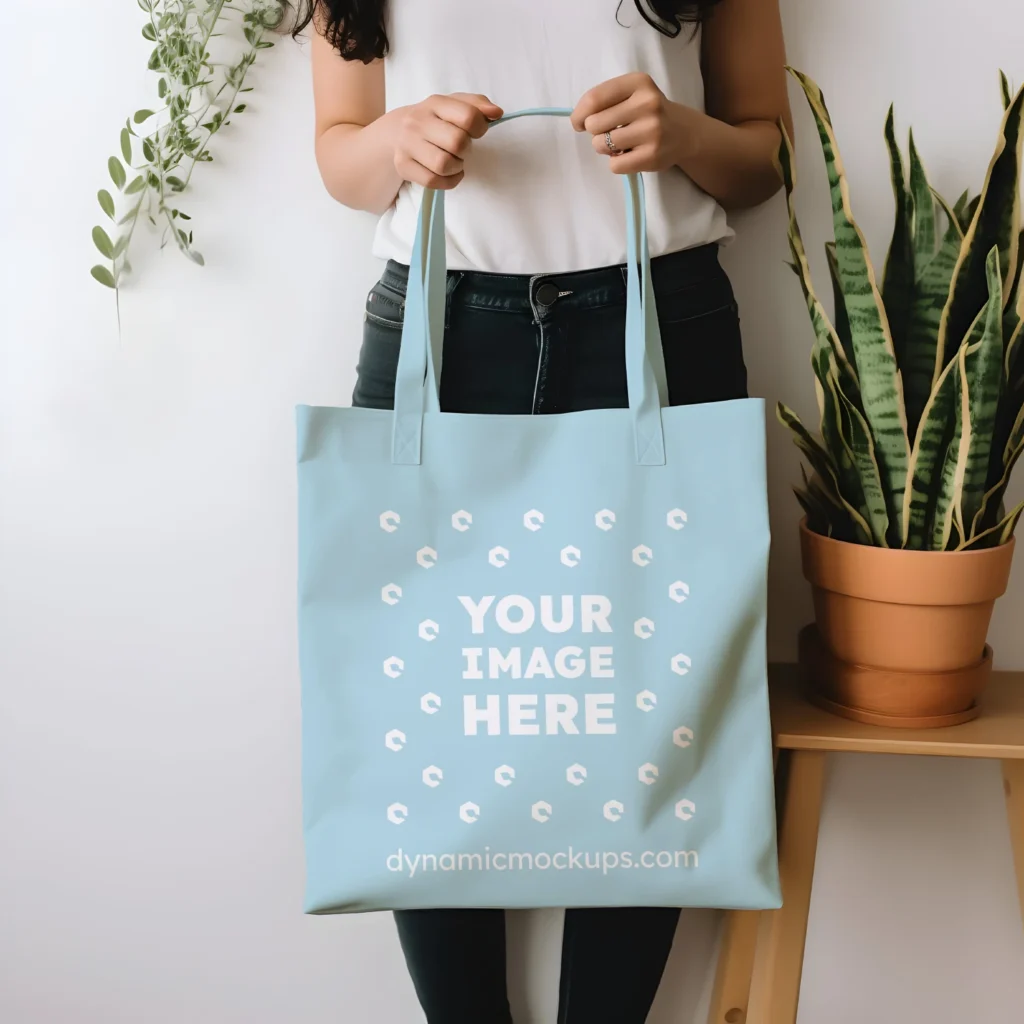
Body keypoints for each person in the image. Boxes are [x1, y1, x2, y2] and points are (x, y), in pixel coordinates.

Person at [296, 1, 791, 1020]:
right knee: (429, 702)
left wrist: (683, 134)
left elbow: (761, 150)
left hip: (663, 310)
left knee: (656, 702)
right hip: (442, 317)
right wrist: (396, 140)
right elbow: (339, 155)